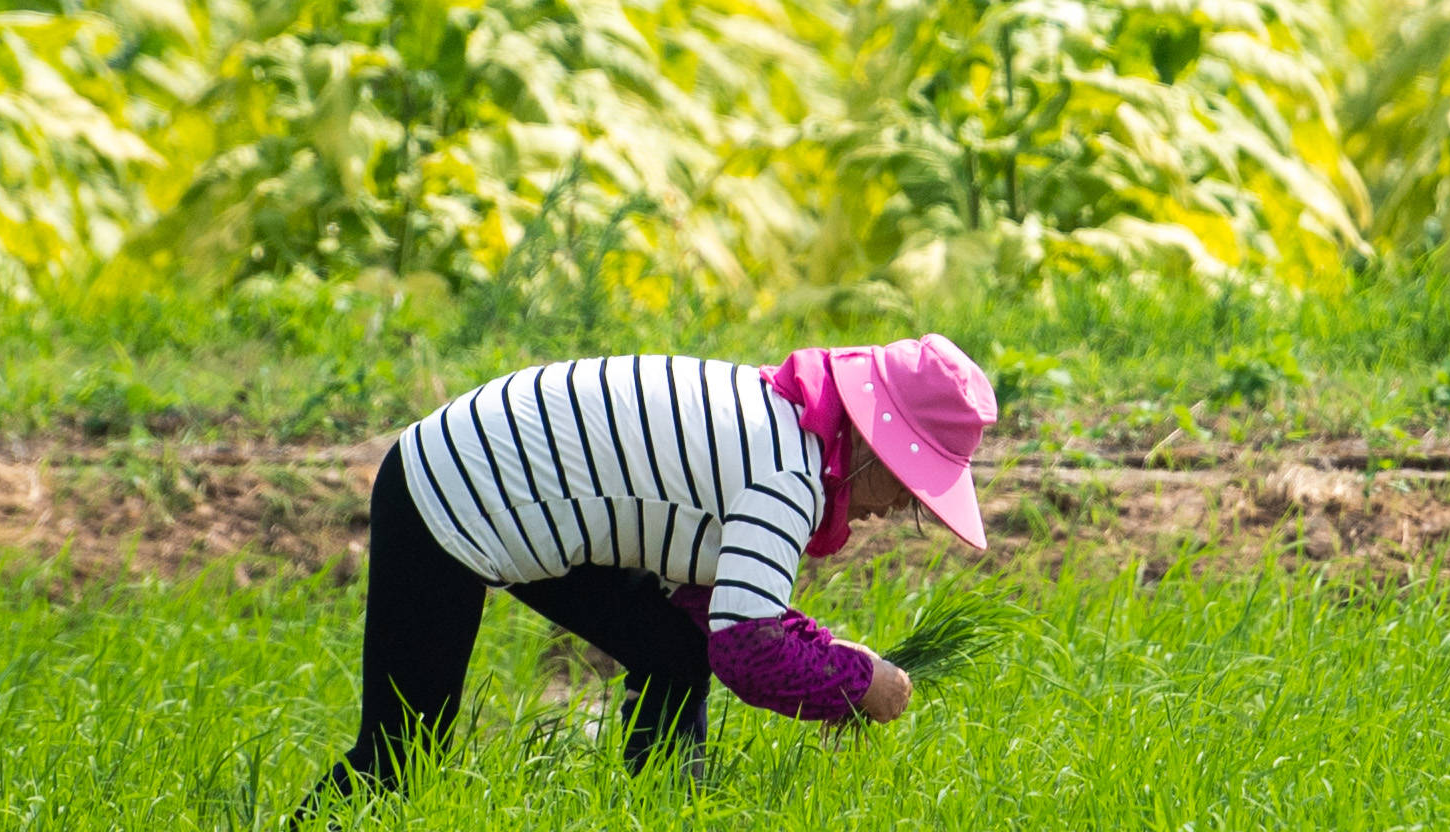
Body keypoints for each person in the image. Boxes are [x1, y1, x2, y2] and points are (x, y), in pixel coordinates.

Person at [301, 335, 996, 803]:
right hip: (453, 492)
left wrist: (830, 659)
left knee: (671, 646)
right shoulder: (786, 473)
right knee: (399, 752)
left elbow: (715, 608)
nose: (904, 505)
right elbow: (748, 652)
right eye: (912, 485)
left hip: (520, 490)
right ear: (874, 445)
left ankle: (668, 816)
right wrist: (853, 684)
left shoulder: (783, 425)